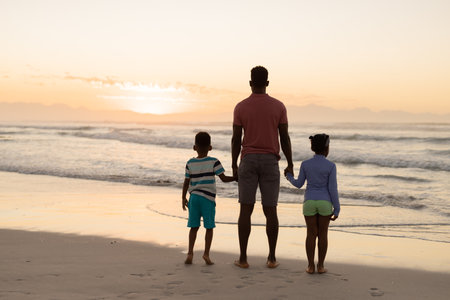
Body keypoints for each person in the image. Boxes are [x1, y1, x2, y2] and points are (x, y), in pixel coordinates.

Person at [232, 66, 294, 268]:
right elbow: (284, 138)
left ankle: (243, 259)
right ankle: (272, 258)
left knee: (245, 210)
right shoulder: (279, 106)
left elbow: (236, 139)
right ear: (267, 83)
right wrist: (290, 162)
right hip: (270, 161)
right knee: (271, 211)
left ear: (250, 83)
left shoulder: (240, 107)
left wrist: (233, 164)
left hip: (248, 160)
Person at [285, 134, 340, 274]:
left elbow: (298, 184)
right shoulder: (331, 166)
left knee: (311, 234)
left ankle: (310, 266)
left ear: (313, 147)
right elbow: (333, 189)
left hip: (309, 202)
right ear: (326, 148)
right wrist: (337, 209)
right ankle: (320, 266)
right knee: (323, 234)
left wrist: (288, 176)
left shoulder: (305, 164)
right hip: (325, 203)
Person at [182, 131, 235, 265]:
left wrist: (183, 197)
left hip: (193, 198)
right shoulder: (214, 161)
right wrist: (236, 178)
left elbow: (186, 182)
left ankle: (190, 253)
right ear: (210, 147)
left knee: (193, 227)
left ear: (195, 147)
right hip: (208, 199)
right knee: (209, 227)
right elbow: (223, 178)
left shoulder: (190, 163)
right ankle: (206, 254)